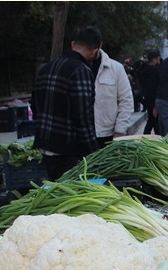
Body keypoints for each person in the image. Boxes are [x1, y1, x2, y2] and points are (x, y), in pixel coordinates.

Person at [30, 26, 100, 179]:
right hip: (68, 150)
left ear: (73, 44)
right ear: (95, 51)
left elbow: (34, 106)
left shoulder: (44, 69)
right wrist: (95, 152)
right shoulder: (81, 71)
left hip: (45, 145)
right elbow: (83, 117)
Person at [91, 47, 133, 148]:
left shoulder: (116, 68)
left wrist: (120, 130)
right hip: (81, 135)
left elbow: (126, 100)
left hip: (107, 135)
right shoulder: (77, 67)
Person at [138, 50, 161, 135]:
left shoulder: (143, 71)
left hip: (147, 99)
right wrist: (155, 105)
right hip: (153, 100)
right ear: (154, 59)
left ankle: (146, 137)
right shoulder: (155, 71)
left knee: (151, 120)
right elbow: (154, 88)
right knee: (154, 122)